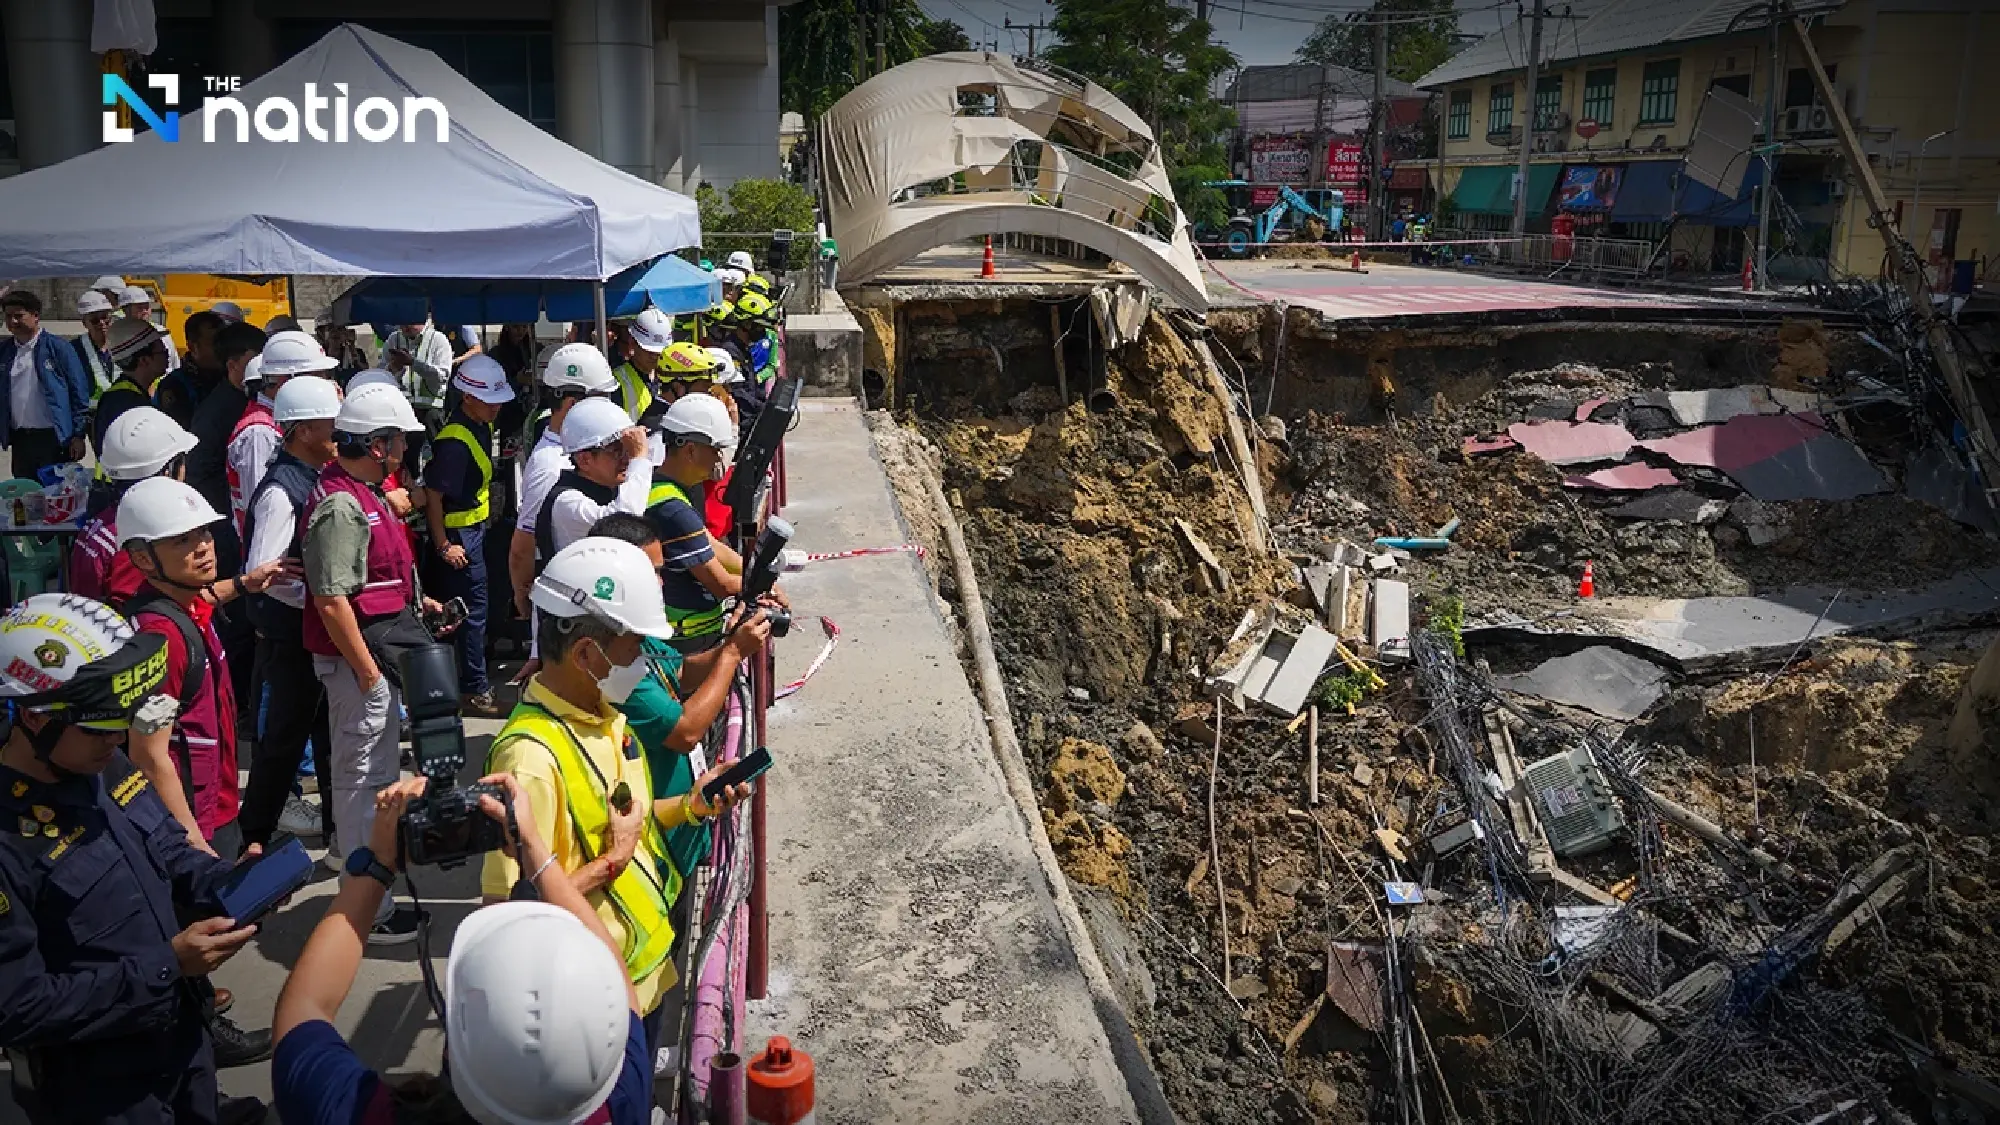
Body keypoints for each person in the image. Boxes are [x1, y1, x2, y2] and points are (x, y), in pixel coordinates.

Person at [0, 593, 269, 1125]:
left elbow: (168, 850)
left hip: (182, 1045)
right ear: (34, 720)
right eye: (102, 727)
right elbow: (18, 1007)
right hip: (99, 1090)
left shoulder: (100, 762)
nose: (120, 738)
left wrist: (233, 884)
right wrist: (168, 968)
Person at [482, 536, 752, 1066]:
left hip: (643, 980)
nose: (644, 662)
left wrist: (693, 805)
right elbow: (506, 918)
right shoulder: (529, 762)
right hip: (591, 1005)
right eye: (635, 648)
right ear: (587, 653)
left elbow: (633, 824)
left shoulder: (608, 720)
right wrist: (610, 863)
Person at [272, 772, 656, 1125]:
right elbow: (621, 984)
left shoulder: (366, 1114)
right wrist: (535, 849)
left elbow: (303, 1011)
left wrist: (378, 863)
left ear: (454, 1045)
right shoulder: (621, 1105)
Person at [300, 383, 431, 944]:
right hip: (358, 666)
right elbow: (331, 599)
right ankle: (364, 910)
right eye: (399, 440)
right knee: (362, 782)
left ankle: (360, 885)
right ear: (378, 445)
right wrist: (370, 674)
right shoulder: (342, 504)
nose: (404, 449)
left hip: (369, 659)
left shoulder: (362, 491)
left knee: (367, 775)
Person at [116, 476, 289, 857]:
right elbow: (149, 754)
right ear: (143, 558)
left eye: (205, 534)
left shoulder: (186, 603)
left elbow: (208, 597)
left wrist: (245, 583)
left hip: (218, 807)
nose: (204, 548)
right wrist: (193, 842)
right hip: (199, 823)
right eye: (182, 540)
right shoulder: (161, 639)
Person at [240, 376, 343, 850]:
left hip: (314, 632)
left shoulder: (315, 475)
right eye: (331, 425)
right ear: (302, 431)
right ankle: (255, 832)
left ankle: (337, 826)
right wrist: (321, 602)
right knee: (284, 739)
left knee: (328, 735)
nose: (340, 435)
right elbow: (267, 572)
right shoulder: (283, 491)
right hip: (293, 638)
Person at [647, 395, 784, 650]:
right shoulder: (672, 508)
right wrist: (766, 586)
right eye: (715, 450)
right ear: (690, 449)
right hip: (689, 640)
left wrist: (754, 572)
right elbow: (720, 584)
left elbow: (710, 543)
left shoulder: (669, 488)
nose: (719, 459)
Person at [423, 355, 514, 716]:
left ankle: (471, 684)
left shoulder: (476, 426)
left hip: (473, 532)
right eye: (490, 400)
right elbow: (433, 496)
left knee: (474, 612)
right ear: (469, 398)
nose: (496, 407)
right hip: (460, 538)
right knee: (470, 615)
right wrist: (444, 544)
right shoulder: (455, 442)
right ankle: (473, 690)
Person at [509, 343, 619, 638]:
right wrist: (523, 599)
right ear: (571, 404)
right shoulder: (550, 464)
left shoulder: (574, 450)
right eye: (602, 399)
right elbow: (525, 542)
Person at [72, 407, 199, 601]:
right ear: (168, 471)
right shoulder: (140, 537)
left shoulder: (103, 523)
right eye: (181, 462)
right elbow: (138, 610)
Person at [231, 332, 335, 538]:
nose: (326, 383)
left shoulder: (273, 420)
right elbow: (265, 508)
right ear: (285, 379)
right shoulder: (259, 433)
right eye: (317, 376)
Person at [533, 398, 652, 572]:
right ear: (584, 460)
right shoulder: (567, 501)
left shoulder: (612, 487)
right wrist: (639, 458)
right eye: (616, 450)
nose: (627, 459)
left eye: (629, 449)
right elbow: (626, 521)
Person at [1, 289, 93, 481]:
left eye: (18, 316)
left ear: (36, 316)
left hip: (55, 439)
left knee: (56, 497)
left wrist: (78, 435)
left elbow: (79, 392)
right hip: (21, 440)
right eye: (8, 316)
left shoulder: (58, 347)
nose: (12, 322)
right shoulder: (5, 351)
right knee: (26, 496)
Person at [94, 317, 173, 456]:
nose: (167, 354)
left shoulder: (130, 394)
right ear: (144, 360)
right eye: (162, 351)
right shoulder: (126, 403)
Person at [381, 319, 454, 436]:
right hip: (403, 409)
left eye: (410, 322)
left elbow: (442, 375)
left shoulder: (438, 339)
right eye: (402, 322)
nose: (405, 327)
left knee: (437, 450)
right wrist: (394, 368)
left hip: (432, 409)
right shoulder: (393, 339)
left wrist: (413, 363)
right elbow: (381, 375)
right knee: (407, 452)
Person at [611, 308, 673, 421]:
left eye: (659, 352)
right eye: (649, 351)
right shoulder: (617, 382)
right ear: (632, 343)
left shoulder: (672, 377)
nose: (654, 357)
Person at [73, 290, 118, 399]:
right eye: (94, 320)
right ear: (84, 323)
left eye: (105, 317)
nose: (102, 323)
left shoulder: (123, 343)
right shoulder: (74, 350)